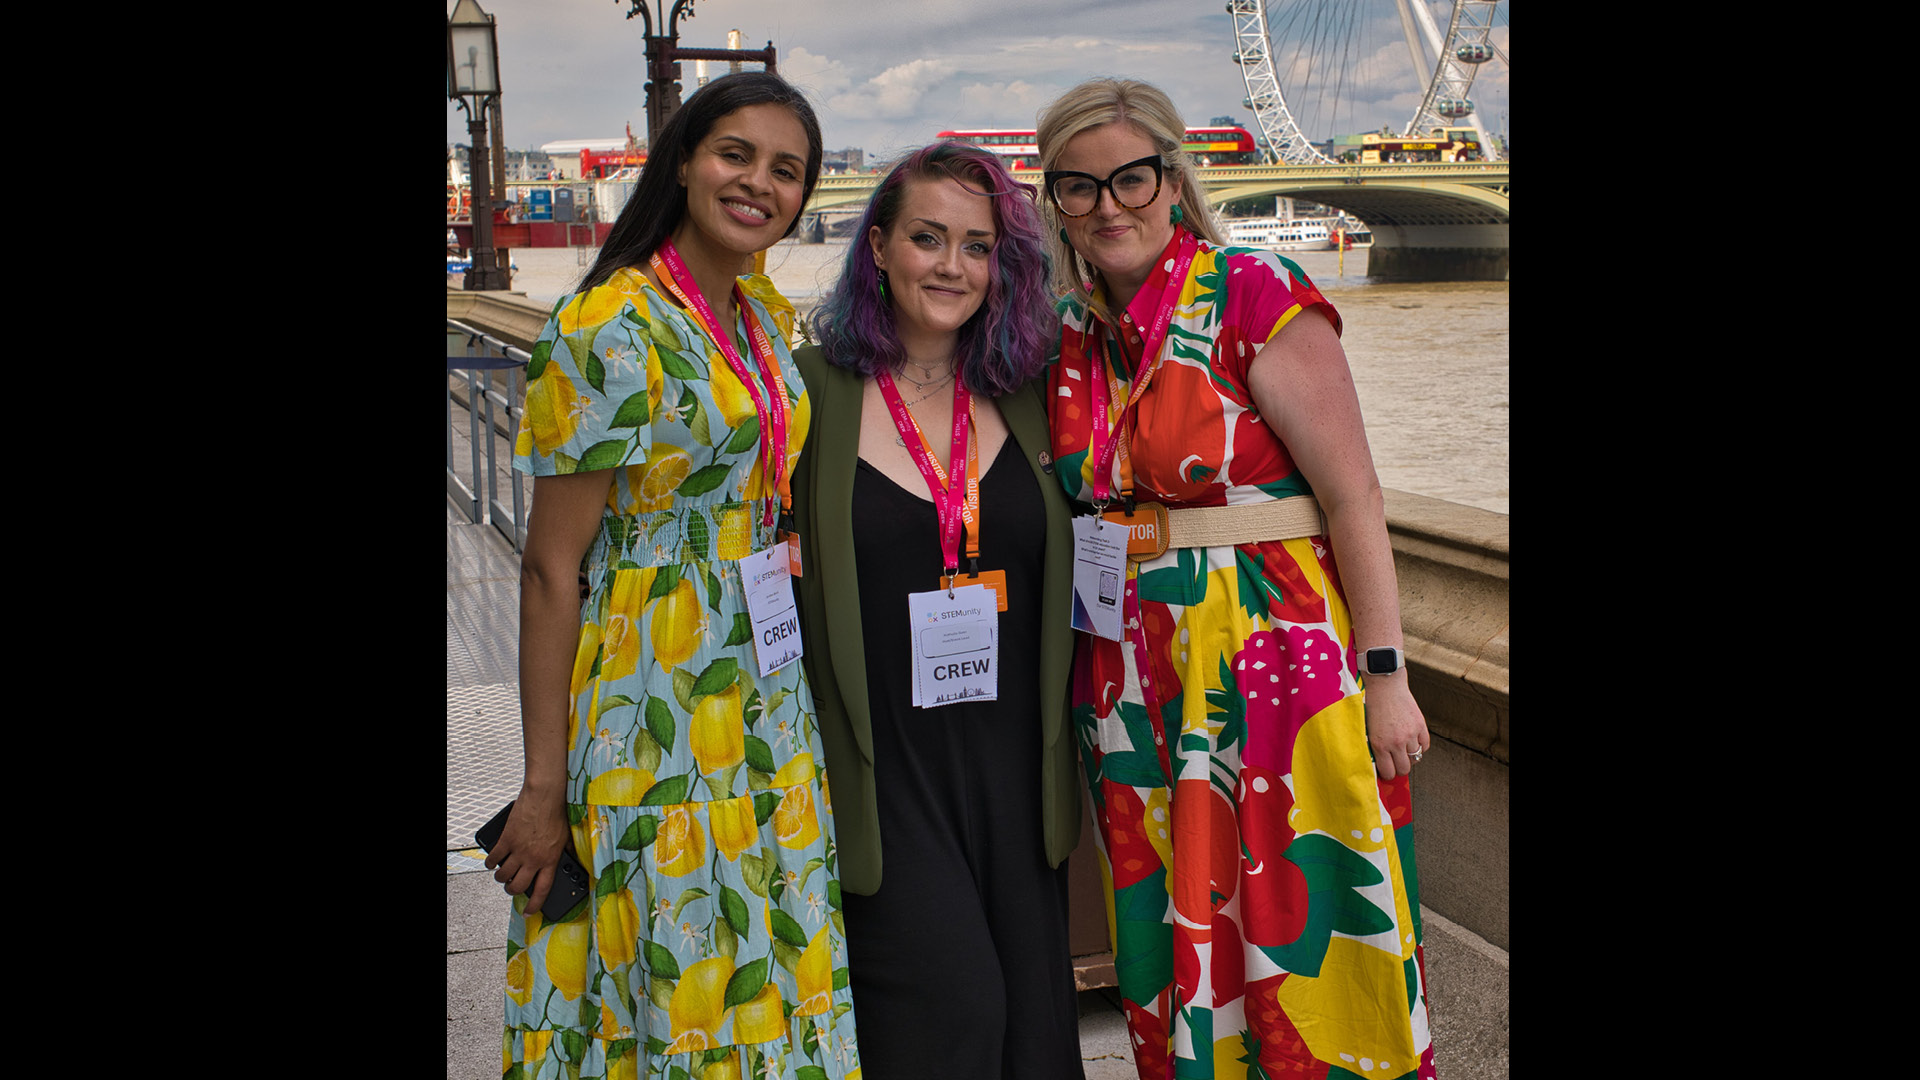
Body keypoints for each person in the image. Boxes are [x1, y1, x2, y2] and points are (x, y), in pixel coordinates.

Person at [1034, 78, 1437, 1079]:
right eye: (1077, 188)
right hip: (1132, 680)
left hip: (1275, 663)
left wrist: (1384, 672)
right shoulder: (1068, 335)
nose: (1107, 205)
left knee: (1307, 921)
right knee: (1170, 927)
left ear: (1173, 177)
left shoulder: (1254, 291)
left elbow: (1354, 498)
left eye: (1129, 176)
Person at [487, 71, 862, 1080]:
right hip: (651, 693)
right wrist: (541, 786)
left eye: (787, 171)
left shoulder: (756, 315)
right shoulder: (612, 323)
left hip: (760, 692)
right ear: (685, 161)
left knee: (761, 938)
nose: (759, 184)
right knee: (680, 948)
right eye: (736, 154)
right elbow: (547, 570)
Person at [788, 142, 1086, 1079]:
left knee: (1034, 1032)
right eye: (927, 239)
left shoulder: (1031, 390)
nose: (953, 267)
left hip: (1012, 763)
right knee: (950, 1012)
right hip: (886, 768)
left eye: (978, 246)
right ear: (876, 245)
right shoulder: (807, 391)